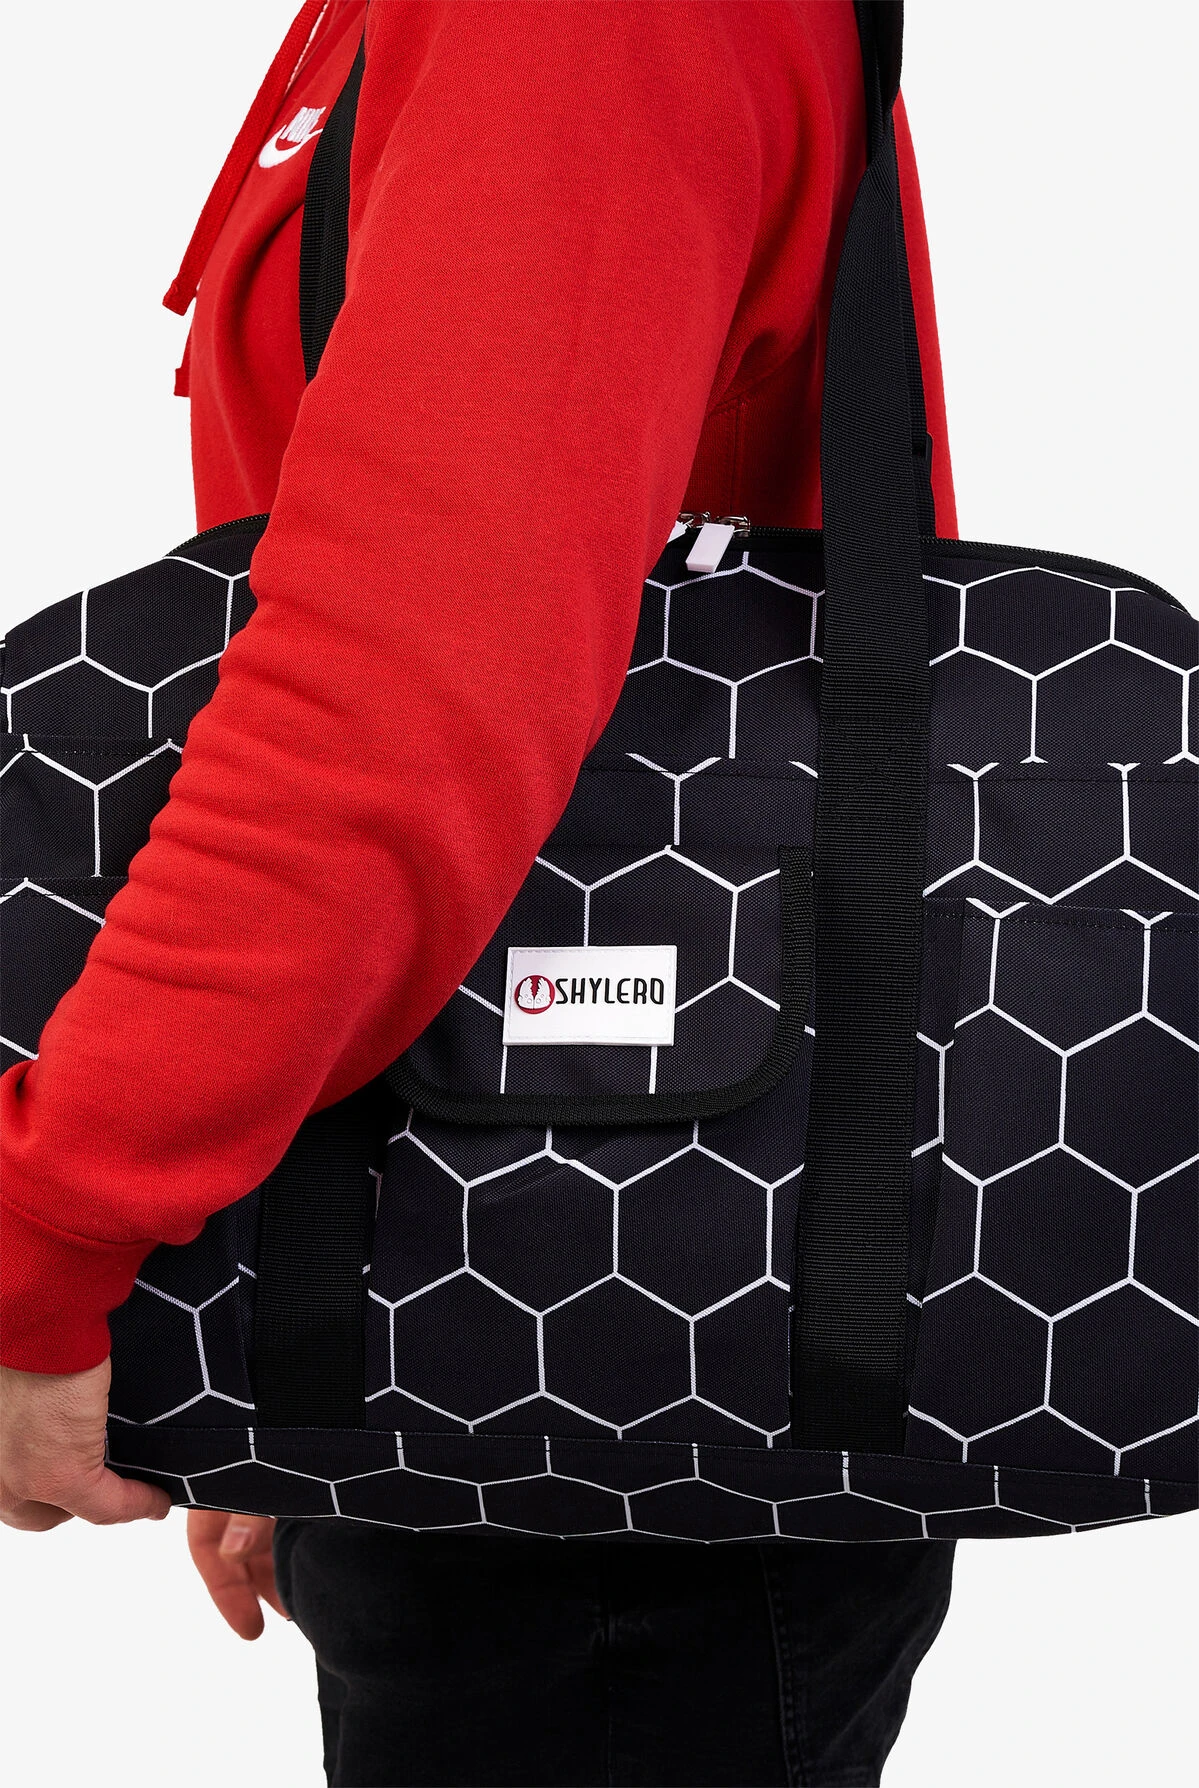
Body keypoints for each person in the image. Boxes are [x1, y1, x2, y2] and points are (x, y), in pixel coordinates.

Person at [0, 4, 958, 1782]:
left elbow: (397, 707)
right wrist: (307, 1315)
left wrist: (43, 1242)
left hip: (634, 1354)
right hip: (487, 1267)